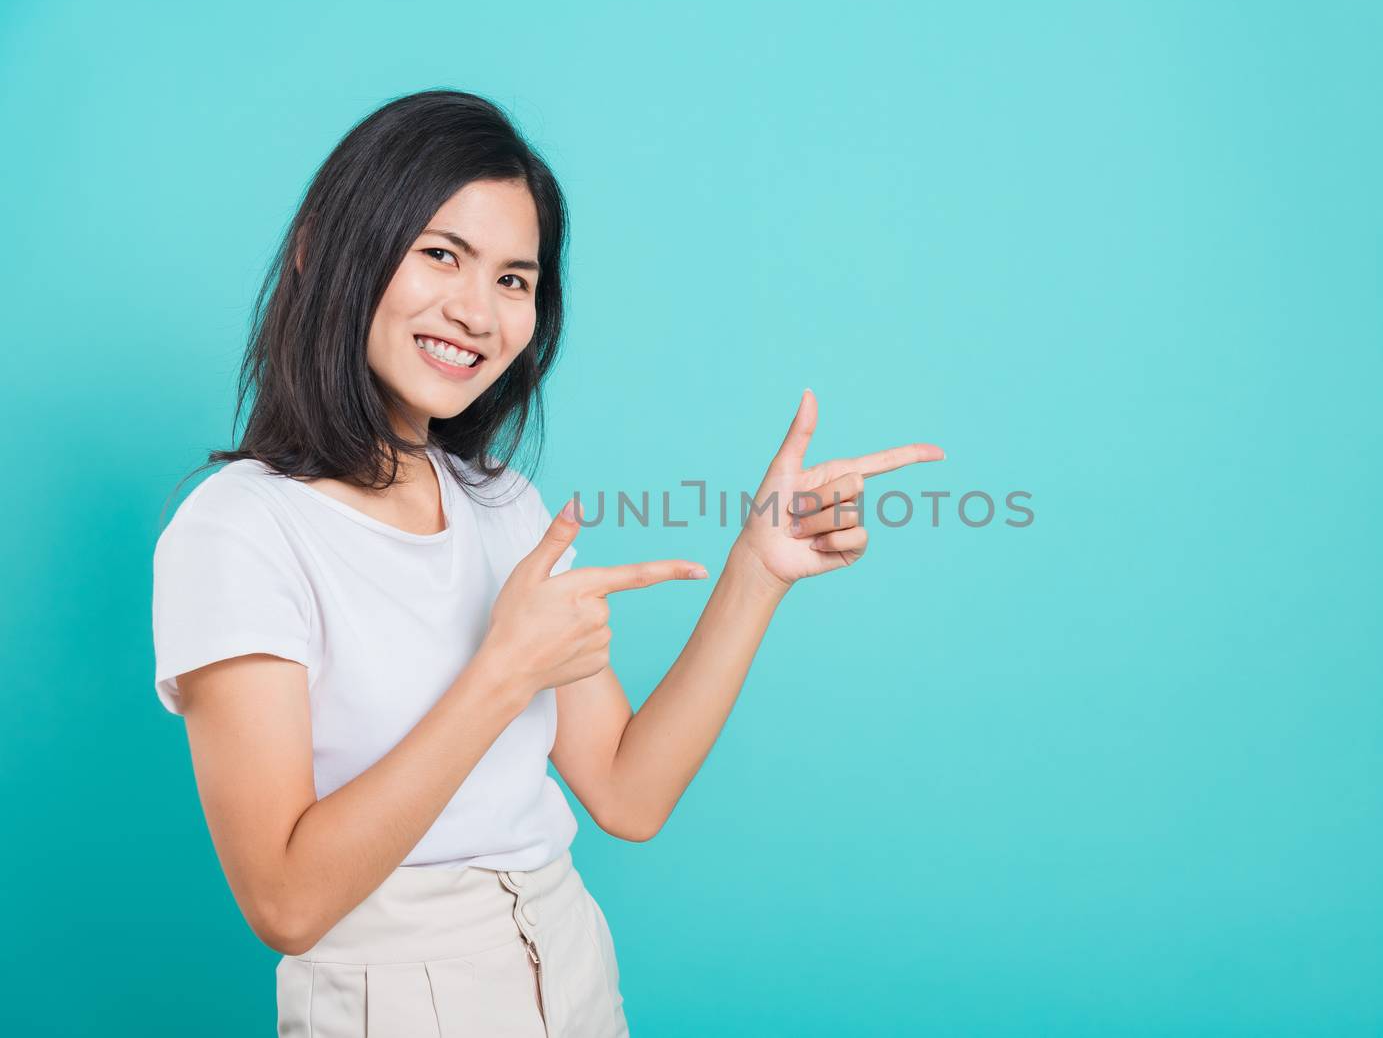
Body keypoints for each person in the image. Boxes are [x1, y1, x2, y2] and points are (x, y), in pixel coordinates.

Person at [150, 89, 943, 1038]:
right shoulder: (238, 529)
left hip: (567, 965)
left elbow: (626, 789)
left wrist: (758, 569)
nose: (477, 311)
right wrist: (503, 670)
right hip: (396, 998)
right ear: (321, 251)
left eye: (515, 280)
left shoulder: (502, 506)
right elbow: (284, 904)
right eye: (441, 255)